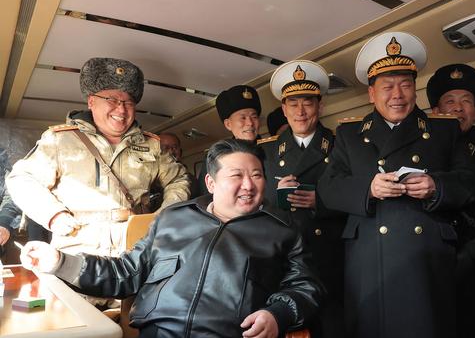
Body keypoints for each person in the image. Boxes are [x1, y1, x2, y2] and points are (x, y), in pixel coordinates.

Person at [19, 138, 323, 338]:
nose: (248, 185)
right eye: (236, 176)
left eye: (256, 175)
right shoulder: (173, 218)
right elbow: (126, 274)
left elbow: (306, 286)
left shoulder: (282, 230)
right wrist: (60, 262)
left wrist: (278, 313)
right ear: (211, 182)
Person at [318, 32, 475, 338]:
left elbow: (469, 182)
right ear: (371, 94)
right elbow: (328, 189)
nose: (398, 95)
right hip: (369, 257)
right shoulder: (349, 135)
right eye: (388, 87)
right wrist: (368, 189)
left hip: (425, 256)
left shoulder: (444, 130)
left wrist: (436, 186)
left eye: (405, 85)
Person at [6, 57, 191, 258]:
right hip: (78, 251)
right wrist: (53, 215)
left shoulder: (151, 145)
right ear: (91, 101)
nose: (121, 109)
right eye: (112, 100)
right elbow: (22, 179)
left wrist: (162, 217)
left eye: (128, 102)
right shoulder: (60, 140)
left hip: (135, 251)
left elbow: (178, 179)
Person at [258, 60, 345, 338]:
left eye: (307, 103)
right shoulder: (268, 151)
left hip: (330, 254)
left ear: (320, 107)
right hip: (287, 257)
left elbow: (358, 196)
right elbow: (255, 199)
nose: (300, 111)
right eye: (293, 104)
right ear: (283, 109)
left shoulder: (342, 143)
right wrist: (276, 192)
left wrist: (320, 201)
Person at [427, 63, 475, 338]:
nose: (458, 108)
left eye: (466, 101)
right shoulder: (421, 153)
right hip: (432, 263)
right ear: (435, 112)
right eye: (449, 101)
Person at [196, 85, 262, 196]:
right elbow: (206, 197)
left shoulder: (274, 150)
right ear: (228, 124)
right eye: (243, 118)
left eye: (254, 117)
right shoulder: (216, 157)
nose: (250, 123)